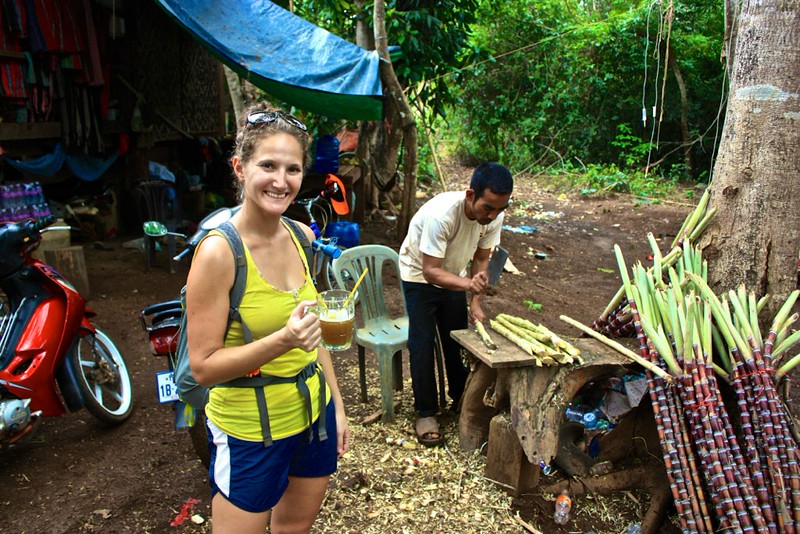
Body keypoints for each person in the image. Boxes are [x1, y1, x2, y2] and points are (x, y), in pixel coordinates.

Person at [185, 103, 350, 533]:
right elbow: (202, 367)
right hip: (249, 431)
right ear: (240, 167)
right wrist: (283, 340)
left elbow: (313, 334)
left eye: (292, 169)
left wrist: (336, 405)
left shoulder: (302, 236)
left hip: (312, 416)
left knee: (294, 527)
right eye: (268, 165)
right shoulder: (219, 253)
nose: (281, 181)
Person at [399, 162, 513, 446]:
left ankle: (461, 400)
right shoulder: (442, 216)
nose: (494, 214)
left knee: (457, 341)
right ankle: (425, 412)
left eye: (501, 208)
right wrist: (466, 284)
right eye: (488, 207)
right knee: (422, 343)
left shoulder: (493, 216)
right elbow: (430, 271)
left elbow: (481, 259)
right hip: (418, 275)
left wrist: (475, 300)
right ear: (470, 194)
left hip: (453, 273)